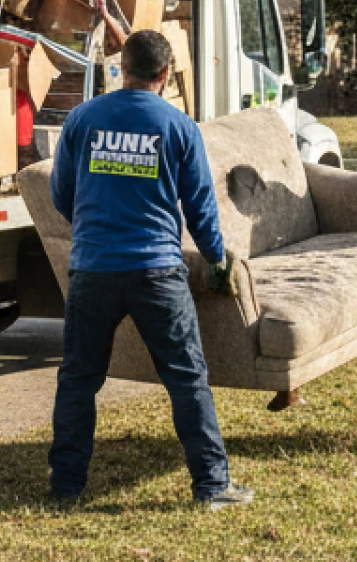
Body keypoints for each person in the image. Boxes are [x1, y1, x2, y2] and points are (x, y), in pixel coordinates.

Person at [47, 27, 253, 508]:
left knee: (79, 380)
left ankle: (66, 487)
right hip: (158, 272)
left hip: (93, 270)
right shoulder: (179, 126)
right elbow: (200, 207)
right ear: (165, 73)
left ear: (121, 67)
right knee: (185, 379)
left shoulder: (82, 119)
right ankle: (211, 486)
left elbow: (62, 195)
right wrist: (217, 258)